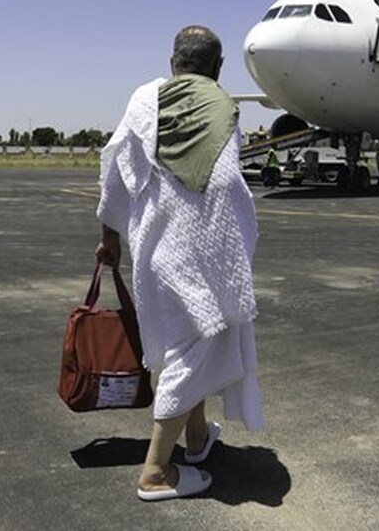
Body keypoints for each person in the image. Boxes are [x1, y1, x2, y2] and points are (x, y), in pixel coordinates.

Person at [95, 25, 264, 502]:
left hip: (154, 251)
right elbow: (229, 189)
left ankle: (195, 441)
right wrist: (234, 251)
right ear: (218, 67)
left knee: (181, 348)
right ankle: (155, 471)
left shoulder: (143, 102)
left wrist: (110, 236)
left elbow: (113, 171)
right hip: (201, 256)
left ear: (172, 62)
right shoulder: (221, 107)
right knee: (190, 357)